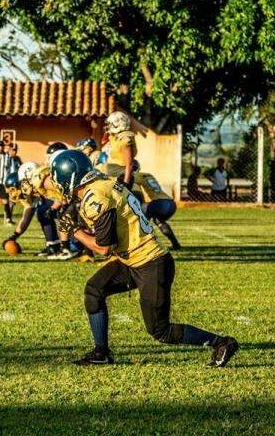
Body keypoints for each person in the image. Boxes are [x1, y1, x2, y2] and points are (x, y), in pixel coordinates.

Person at [50, 150, 239, 367]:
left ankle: (221, 343)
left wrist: (75, 231)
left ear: (69, 178)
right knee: (94, 290)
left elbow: (104, 248)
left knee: (161, 331)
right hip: (133, 259)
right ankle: (101, 352)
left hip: (151, 263)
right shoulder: (103, 184)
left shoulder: (96, 197)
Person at [131, 161, 181, 250]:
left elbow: (136, 194)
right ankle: (176, 244)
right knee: (159, 221)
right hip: (170, 203)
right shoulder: (148, 175)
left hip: (157, 203)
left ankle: (141, 246)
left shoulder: (133, 177)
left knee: (141, 224)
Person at [103, 111, 137, 187]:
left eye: (110, 124)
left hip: (119, 177)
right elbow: (103, 141)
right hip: (112, 175)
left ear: (118, 124)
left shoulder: (124, 139)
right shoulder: (115, 136)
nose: (108, 126)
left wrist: (126, 184)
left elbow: (129, 164)